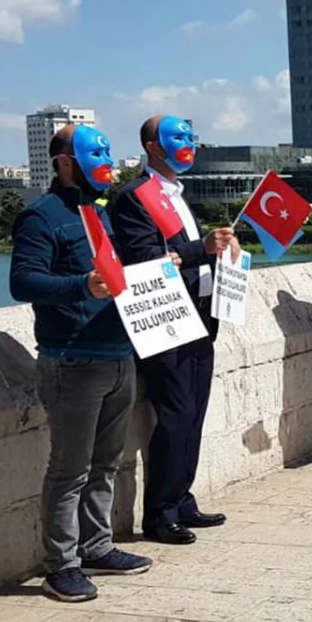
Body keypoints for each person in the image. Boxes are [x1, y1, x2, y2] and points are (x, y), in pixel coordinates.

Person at [10, 125, 152, 600]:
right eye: (97, 152)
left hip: (118, 354)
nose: (107, 159)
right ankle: (61, 565)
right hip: (72, 358)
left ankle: (97, 545)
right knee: (69, 469)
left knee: (106, 463)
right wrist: (79, 287)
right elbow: (24, 282)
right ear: (65, 161)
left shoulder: (98, 213)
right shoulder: (40, 217)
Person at [110, 115, 237, 541]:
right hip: (165, 320)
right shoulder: (134, 197)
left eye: (189, 138)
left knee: (194, 415)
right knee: (176, 415)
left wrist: (219, 252)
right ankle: (160, 512)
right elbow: (143, 258)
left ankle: (183, 498)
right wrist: (199, 249)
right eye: (176, 138)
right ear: (152, 147)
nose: (188, 145)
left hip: (201, 316)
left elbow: (191, 253)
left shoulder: (179, 195)